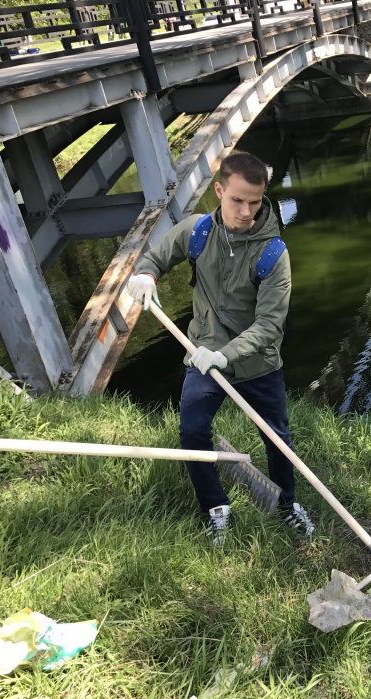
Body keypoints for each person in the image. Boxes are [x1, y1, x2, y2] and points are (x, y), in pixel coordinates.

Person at [124, 151, 313, 545]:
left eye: (255, 202)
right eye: (237, 200)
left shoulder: (274, 254)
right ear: (219, 190)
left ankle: (287, 505)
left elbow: (269, 324)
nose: (246, 211)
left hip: (258, 363)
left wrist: (225, 355)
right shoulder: (196, 232)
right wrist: (145, 274)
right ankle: (215, 508)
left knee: (277, 439)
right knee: (193, 430)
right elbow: (157, 256)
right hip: (203, 354)